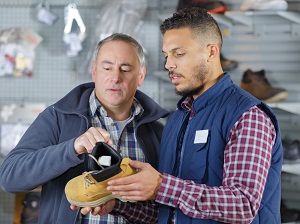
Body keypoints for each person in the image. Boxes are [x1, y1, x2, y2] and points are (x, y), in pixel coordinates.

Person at [104, 7, 283, 224]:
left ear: (211, 52)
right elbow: (170, 212)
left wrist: (161, 185)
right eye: (166, 55)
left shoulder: (247, 116)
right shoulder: (177, 119)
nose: (169, 64)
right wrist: (117, 205)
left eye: (179, 54)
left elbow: (243, 205)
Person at [0, 33, 169, 224]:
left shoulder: (159, 132)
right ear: (94, 72)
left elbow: (166, 212)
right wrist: (71, 148)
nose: (115, 77)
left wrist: (121, 205)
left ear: (140, 76)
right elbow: (9, 178)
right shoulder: (58, 118)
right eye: (107, 68)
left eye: (125, 69)